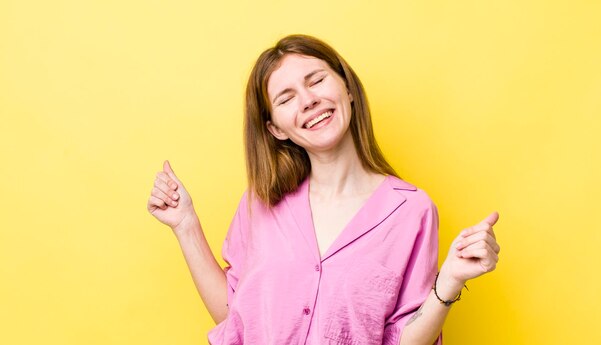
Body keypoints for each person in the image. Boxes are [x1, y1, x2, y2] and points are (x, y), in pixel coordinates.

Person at [147, 34, 501, 345]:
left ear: (346, 88)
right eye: (286, 99)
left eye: (316, 80)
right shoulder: (261, 202)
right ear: (276, 130)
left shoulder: (412, 211)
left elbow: (404, 340)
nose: (308, 100)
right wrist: (186, 226)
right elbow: (235, 318)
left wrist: (451, 278)